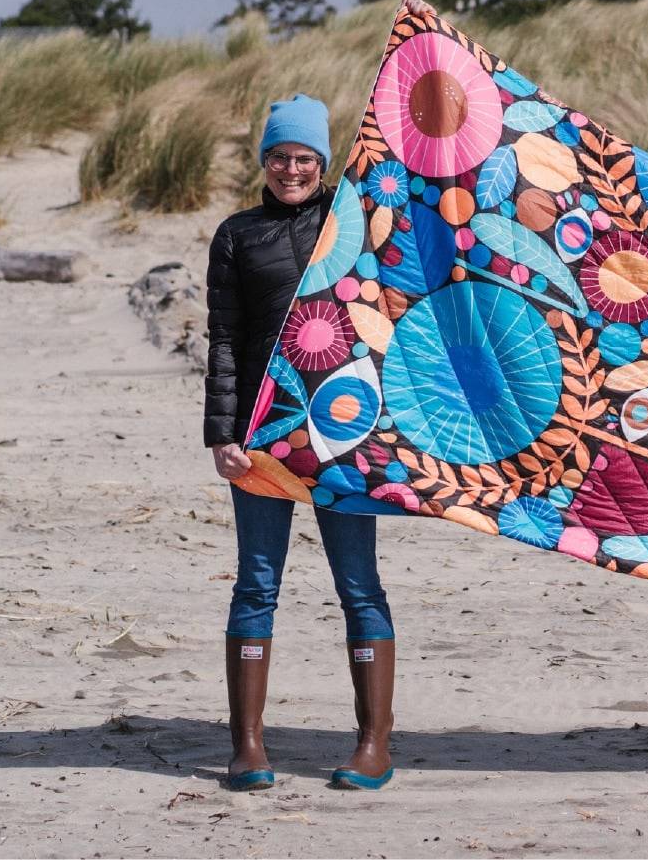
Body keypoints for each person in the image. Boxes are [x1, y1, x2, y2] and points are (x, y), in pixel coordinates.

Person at [203, 94, 395, 792]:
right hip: (260, 436)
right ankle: (247, 746)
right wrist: (222, 434)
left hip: (346, 430)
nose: (291, 169)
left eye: (304, 158)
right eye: (280, 157)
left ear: (323, 162)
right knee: (257, 583)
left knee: (358, 584)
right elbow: (223, 340)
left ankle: (373, 744)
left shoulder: (353, 225)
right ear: (265, 161)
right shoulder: (236, 235)